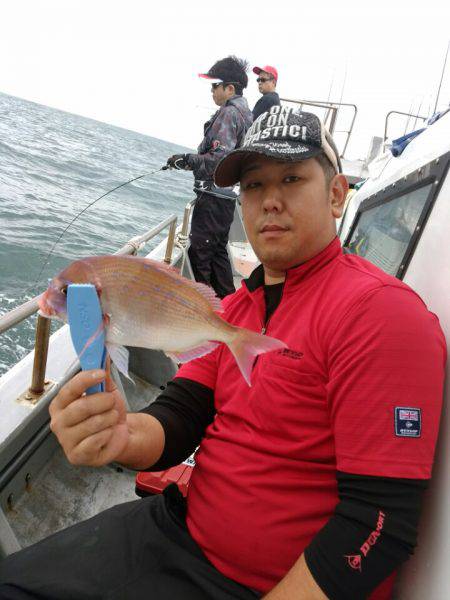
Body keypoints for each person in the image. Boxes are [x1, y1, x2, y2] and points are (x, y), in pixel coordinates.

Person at [0, 108, 445, 600]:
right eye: (253, 186)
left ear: (337, 194)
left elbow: (378, 522)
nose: (270, 201)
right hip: (179, 529)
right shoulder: (237, 308)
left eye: (292, 179)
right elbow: (181, 416)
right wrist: (121, 435)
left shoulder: (382, 315)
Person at [166, 56, 253, 299]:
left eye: (215, 86)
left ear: (230, 88)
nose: (212, 91)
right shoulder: (247, 113)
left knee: (201, 256)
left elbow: (218, 160)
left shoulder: (228, 113)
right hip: (226, 200)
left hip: (213, 199)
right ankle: (229, 308)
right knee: (217, 254)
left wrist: (186, 159)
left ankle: (205, 316)